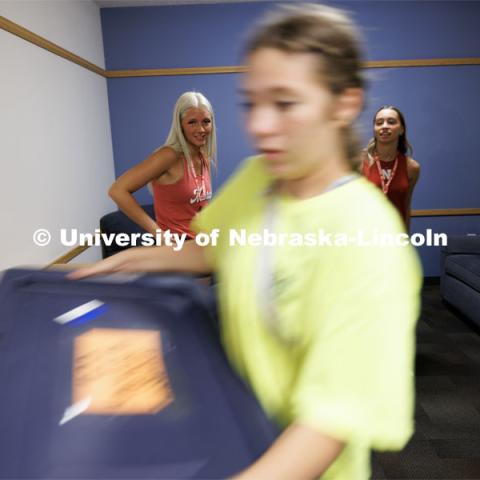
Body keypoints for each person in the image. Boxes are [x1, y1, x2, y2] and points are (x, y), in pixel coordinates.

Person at [70, 4, 422, 479]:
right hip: (233, 432)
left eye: (285, 103)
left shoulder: (369, 236)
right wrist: (124, 262)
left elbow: (328, 424)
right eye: (251, 103)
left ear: (343, 104)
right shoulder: (258, 176)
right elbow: (213, 250)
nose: (259, 125)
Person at [108, 91, 216, 238]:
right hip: (175, 250)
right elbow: (117, 190)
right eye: (192, 122)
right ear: (180, 125)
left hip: (201, 245)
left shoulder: (204, 157)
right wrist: (158, 234)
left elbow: (199, 207)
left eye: (206, 121)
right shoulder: (168, 156)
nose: (201, 129)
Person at [362, 106, 420, 230]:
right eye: (379, 123)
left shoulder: (412, 167)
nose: (384, 126)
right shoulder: (360, 162)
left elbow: (406, 205)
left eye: (391, 122)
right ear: (375, 129)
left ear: (401, 130)